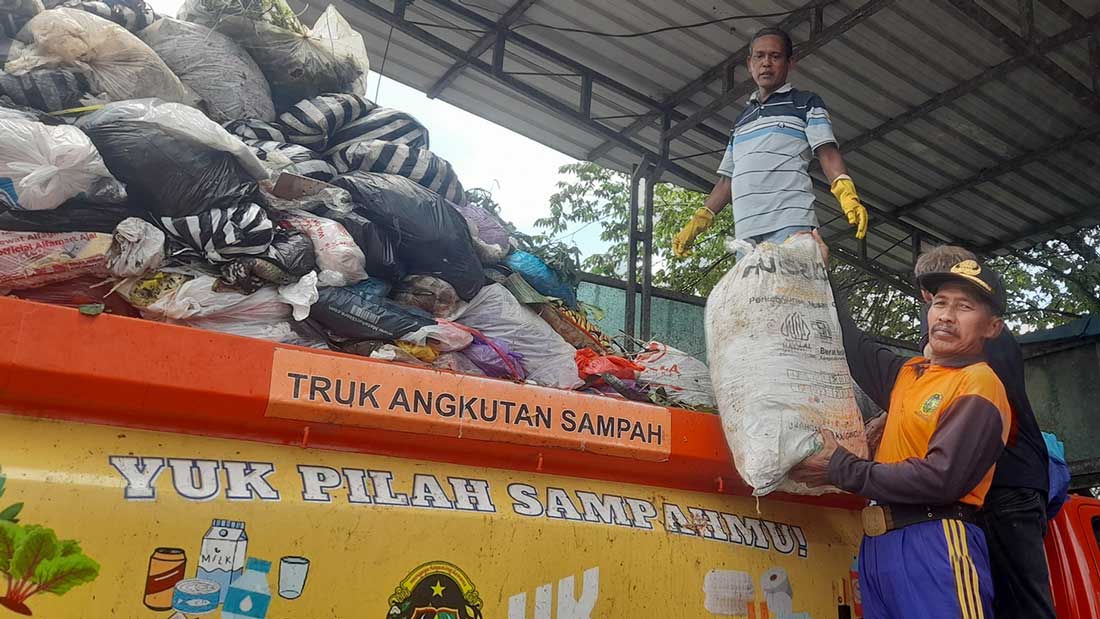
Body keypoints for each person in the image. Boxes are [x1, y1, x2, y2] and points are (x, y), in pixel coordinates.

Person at [791, 231, 1011, 619]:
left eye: (964, 307)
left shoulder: (979, 383)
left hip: (937, 541)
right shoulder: (910, 374)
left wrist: (840, 467)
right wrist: (820, 271)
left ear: (991, 327)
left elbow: (940, 479)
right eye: (940, 302)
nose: (946, 315)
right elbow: (853, 345)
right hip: (879, 548)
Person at [913, 245, 1055, 619]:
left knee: (1022, 603)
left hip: (1008, 487)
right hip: (1003, 487)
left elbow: (942, 391)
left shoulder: (983, 339)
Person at [672, 27, 868, 258]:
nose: (766, 63)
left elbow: (827, 152)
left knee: (793, 293)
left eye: (775, 57)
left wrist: (846, 194)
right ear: (749, 63)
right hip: (746, 234)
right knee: (752, 295)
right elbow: (727, 180)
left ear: (790, 63)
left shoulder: (806, 103)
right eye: (760, 56)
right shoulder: (741, 121)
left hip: (791, 224)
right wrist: (698, 221)